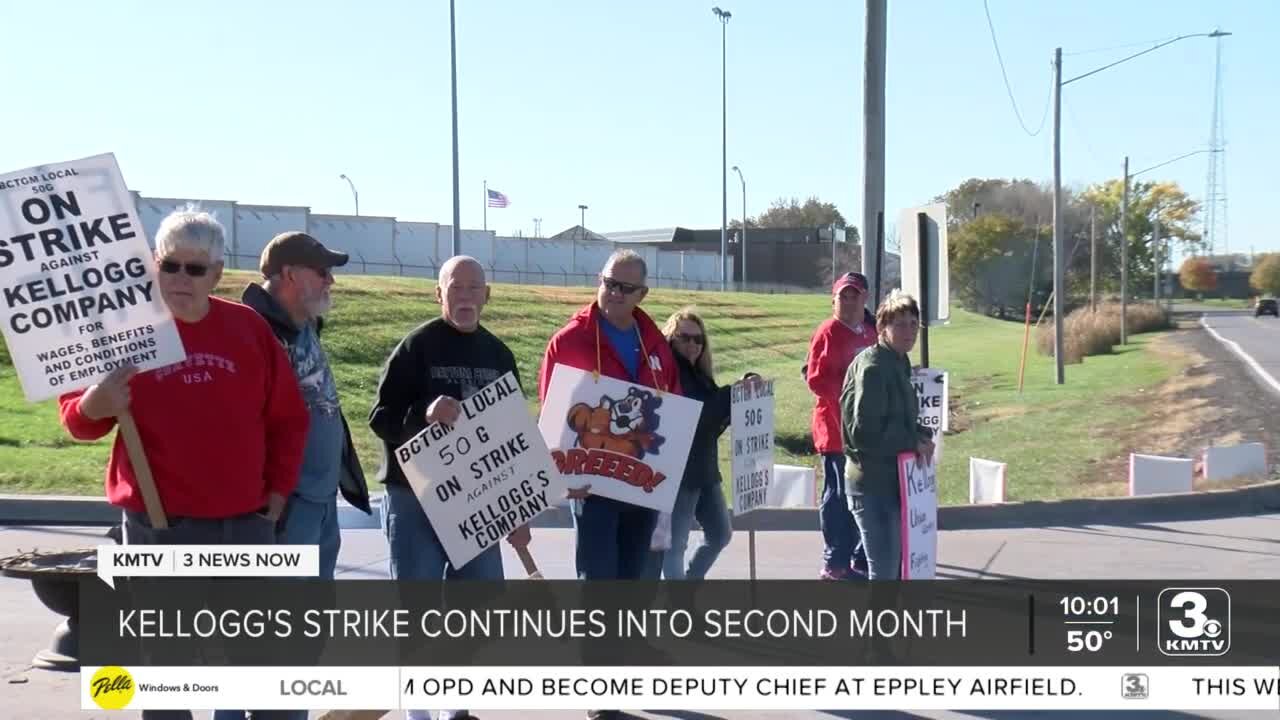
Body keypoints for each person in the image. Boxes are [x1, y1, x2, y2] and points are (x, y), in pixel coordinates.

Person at [58, 207, 309, 720]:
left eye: (195, 269)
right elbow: (78, 421)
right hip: (158, 529)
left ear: (217, 274)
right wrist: (93, 404)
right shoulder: (124, 331)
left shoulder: (247, 331)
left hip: (245, 529)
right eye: (170, 265)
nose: (180, 279)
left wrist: (278, 496)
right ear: (154, 264)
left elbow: (288, 420)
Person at [369, 255, 528, 720]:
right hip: (415, 496)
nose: (464, 296)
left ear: (487, 296)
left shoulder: (498, 355)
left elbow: (511, 437)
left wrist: (516, 511)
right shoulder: (416, 347)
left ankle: (454, 704)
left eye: (473, 288)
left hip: (475, 498)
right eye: (454, 287)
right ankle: (421, 711)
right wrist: (424, 414)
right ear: (438, 294)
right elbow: (381, 418)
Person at [538, 249, 681, 585]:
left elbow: (674, 402)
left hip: (643, 480)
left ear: (642, 294)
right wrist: (562, 474)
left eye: (625, 288)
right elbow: (552, 409)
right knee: (599, 578)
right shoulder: (569, 340)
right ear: (598, 281)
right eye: (609, 283)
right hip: (592, 481)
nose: (615, 293)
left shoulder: (655, 343)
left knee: (633, 576)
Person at [242, 231, 372, 582]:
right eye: (321, 271)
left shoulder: (306, 323)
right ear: (289, 275)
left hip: (321, 497)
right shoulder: (253, 332)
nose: (331, 279)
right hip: (286, 504)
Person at [839, 290, 934, 580]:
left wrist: (921, 433)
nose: (909, 331)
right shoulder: (875, 368)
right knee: (883, 575)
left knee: (893, 572)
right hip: (871, 486)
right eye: (900, 324)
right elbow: (865, 433)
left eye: (913, 323)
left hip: (894, 480)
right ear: (882, 328)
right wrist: (911, 442)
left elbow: (900, 418)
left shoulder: (898, 360)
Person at [657, 307, 755, 580]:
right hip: (678, 472)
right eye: (684, 337)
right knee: (675, 545)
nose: (692, 344)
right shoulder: (669, 372)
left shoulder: (699, 375)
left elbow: (713, 421)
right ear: (671, 339)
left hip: (705, 470)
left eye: (698, 339)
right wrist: (734, 393)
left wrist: (744, 394)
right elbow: (698, 413)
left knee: (720, 534)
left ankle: (689, 584)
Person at [805, 271, 876, 581]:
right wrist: (851, 396)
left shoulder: (868, 331)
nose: (848, 300)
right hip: (835, 430)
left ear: (865, 298)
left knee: (863, 493)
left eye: (854, 295)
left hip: (865, 431)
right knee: (837, 497)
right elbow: (816, 379)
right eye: (842, 295)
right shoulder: (828, 333)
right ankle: (835, 562)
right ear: (833, 299)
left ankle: (860, 557)